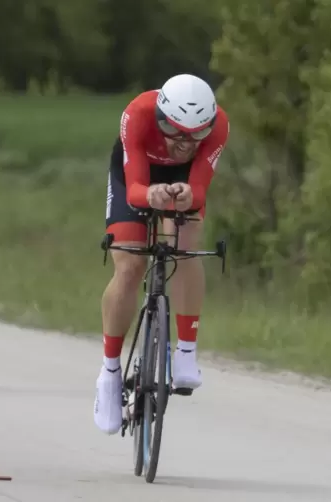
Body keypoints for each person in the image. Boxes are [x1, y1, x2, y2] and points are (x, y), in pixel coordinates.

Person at [95, 73, 230, 434]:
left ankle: (186, 351)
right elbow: (135, 186)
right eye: (176, 132)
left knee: (185, 245)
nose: (186, 142)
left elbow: (200, 187)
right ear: (160, 119)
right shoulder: (138, 114)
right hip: (135, 176)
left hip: (183, 179)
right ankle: (109, 374)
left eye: (197, 134)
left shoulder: (218, 127)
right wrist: (150, 194)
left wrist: (188, 195)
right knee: (130, 265)